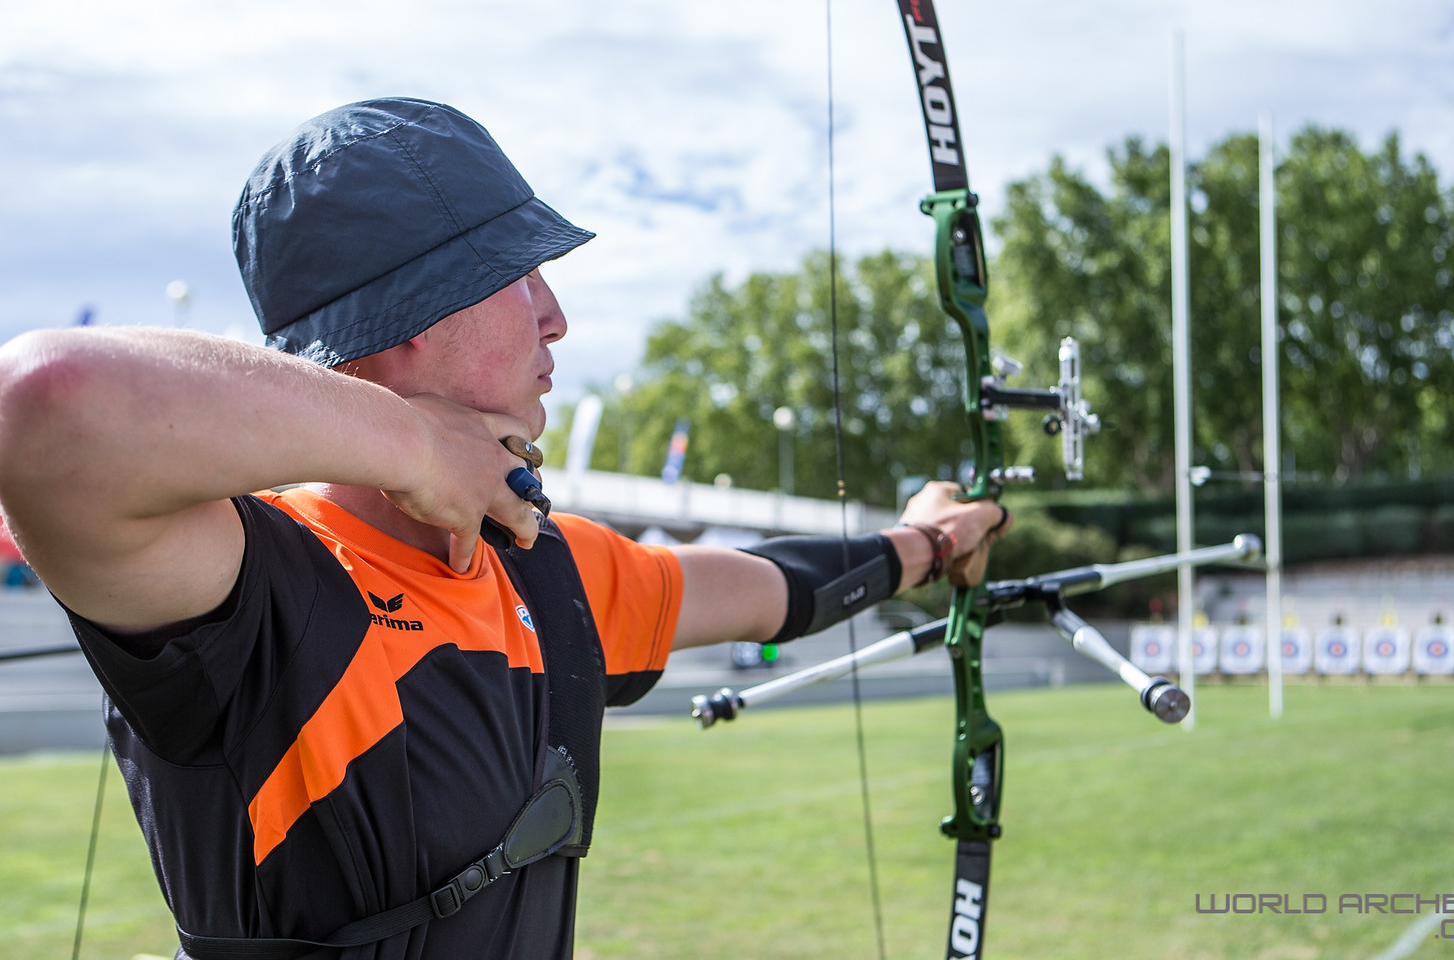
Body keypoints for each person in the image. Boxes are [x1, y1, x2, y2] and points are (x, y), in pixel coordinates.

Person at [0, 98, 1007, 960]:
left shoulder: (543, 572)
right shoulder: (250, 583)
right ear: (404, 320)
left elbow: (770, 587)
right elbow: (44, 401)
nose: (555, 314)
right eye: (515, 274)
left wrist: (920, 544)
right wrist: (413, 446)